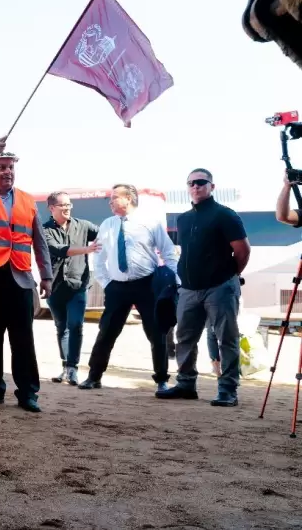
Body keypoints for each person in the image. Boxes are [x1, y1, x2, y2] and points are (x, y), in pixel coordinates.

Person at [0, 137, 53, 413]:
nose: (7, 171)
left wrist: (47, 276)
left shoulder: (27, 201)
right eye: (1, 166)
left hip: (19, 278)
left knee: (22, 339)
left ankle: (28, 393)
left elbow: (39, 241)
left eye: (10, 167)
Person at [157, 169, 250, 407]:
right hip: (188, 289)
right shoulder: (183, 218)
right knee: (185, 338)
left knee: (226, 339)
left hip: (220, 287)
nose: (196, 187)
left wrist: (230, 275)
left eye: (200, 182)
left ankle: (228, 390)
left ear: (212, 186)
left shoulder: (225, 215)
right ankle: (186, 384)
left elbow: (242, 250)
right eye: (191, 183)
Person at [79, 183, 178, 394]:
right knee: (106, 332)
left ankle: (161, 380)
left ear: (129, 199)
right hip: (117, 288)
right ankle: (93, 376)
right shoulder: (107, 224)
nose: (110, 202)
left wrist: (171, 281)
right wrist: (107, 283)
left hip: (147, 285)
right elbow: (99, 256)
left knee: (156, 332)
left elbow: (168, 252)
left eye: (114, 197)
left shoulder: (149, 223)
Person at [42, 191, 100, 386]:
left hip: (78, 285)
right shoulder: (45, 230)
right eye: (63, 206)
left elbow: (105, 233)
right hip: (56, 287)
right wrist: (86, 249)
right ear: (52, 208)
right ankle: (65, 366)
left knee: (75, 325)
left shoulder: (83, 226)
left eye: (69, 205)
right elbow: (58, 249)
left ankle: (73, 368)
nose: (67, 208)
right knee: (61, 327)